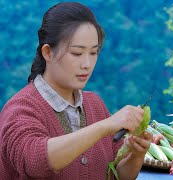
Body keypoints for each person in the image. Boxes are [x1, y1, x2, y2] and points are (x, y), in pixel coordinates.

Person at [0, 2, 152, 179]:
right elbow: (36, 162)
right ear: (48, 53)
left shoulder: (95, 104)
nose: (87, 64)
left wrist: (136, 155)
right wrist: (104, 126)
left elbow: (117, 174)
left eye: (93, 53)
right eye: (77, 53)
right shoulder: (20, 110)